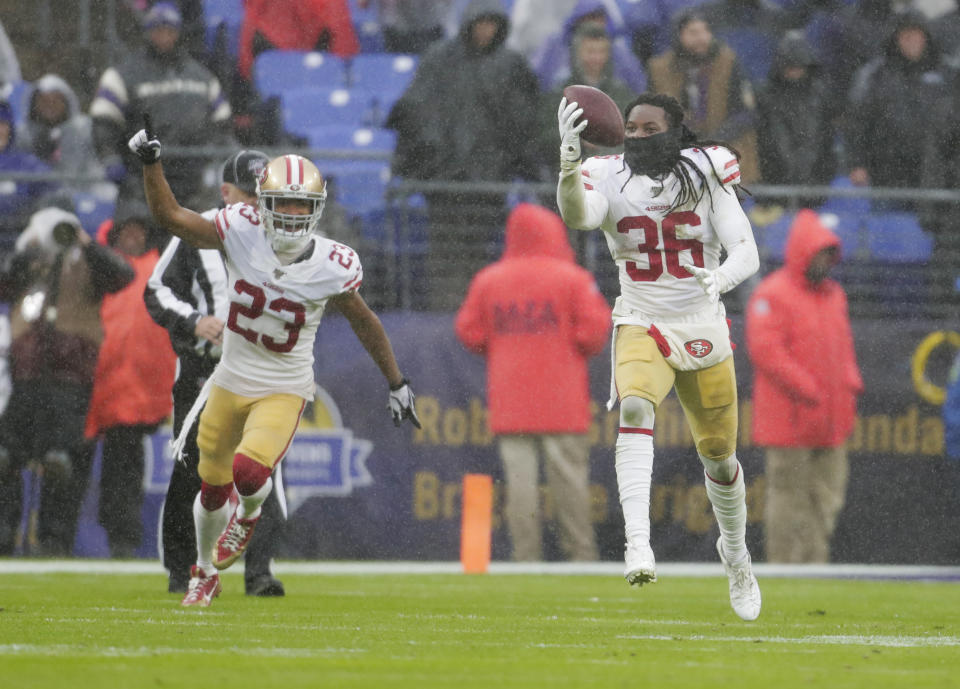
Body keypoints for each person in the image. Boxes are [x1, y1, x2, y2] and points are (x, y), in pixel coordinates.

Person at [127, 127, 421, 607]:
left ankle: (248, 518)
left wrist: (397, 382)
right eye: (282, 203)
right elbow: (171, 216)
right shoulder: (239, 227)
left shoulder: (332, 262)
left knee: (248, 471)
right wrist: (151, 165)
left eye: (302, 205)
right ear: (261, 204)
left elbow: (365, 323)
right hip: (227, 379)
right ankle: (203, 572)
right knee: (210, 486)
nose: (291, 213)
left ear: (317, 208)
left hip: (283, 386)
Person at [555, 91, 762, 620]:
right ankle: (638, 542)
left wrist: (719, 277)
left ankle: (736, 556)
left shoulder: (705, 172)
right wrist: (569, 162)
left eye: (650, 128)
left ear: (674, 131)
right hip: (641, 318)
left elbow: (747, 249)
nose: (638, 136)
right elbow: (581, 216)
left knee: (719, 457)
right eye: (631, 127)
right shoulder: (607, 173)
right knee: (635, 406)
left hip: (702, 324)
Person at [145, 149, 287, 596]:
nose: (254, 202)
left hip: (261, 367)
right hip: (205, 369)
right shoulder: (198, 228)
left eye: (262, 193)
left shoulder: (282, 233)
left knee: (260, 469)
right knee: (192, 467)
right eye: (247, 192)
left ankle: (259, 571)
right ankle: (181, 568)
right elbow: (157, 289)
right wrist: (193, 321)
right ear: (226, 192)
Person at [454, 203, 611, 562]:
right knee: (570, 486)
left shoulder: (489, 280)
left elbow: (469, 331)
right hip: (562, 402)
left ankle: (526, 559)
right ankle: (581, 557)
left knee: (520, 489)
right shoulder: (573, 279)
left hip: (512, 403)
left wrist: (505, 344)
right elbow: (594, 334)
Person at [385, 0, 541, 309]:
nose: (486, 30)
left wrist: (516, 166)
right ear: (468, 23)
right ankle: (448, 324)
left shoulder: (511, 65)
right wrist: (433, 162)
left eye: (492, 23)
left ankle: (476, 320)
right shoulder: (439, 60)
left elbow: (522, 122)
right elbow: (416, 113)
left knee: (479, 256)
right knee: (445, 257)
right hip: (445, 185)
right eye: (480, 23)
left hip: (488, 186)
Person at [0, 208, 134, 555]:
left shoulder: (89, 262)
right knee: (6, 459)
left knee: (61, 463)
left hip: (69, 381)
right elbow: (4, 283)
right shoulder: (30, 260)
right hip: (25, 376)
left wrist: (85, 244)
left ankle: (53, 542)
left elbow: (123, 275)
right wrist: (29, 249)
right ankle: (3, 535)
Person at [745, 209, 862, 563]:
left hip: (829, 422)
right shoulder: (772, 294)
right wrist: (808, 389)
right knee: (788, 501)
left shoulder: (834, 295)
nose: (825, 261)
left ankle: (814, 567)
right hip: (789, 422)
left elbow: (843, 351)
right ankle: (785, 568)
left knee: (826, 500)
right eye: (820, 253)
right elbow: (766, 352)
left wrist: (850, 385)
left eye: (830, 254)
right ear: (802, 251)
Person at [82, 207, 177, 558]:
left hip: (132, 391)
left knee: (122, 469)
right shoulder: (100, 265)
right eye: (127, 232)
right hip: (91, 384)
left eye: (140, 232)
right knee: (77, 467)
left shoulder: (160, 268)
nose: (133, 238)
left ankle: (122, 539)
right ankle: (56, 538)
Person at [89, 2, 232, 208]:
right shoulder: (123, 74)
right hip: (141, 180)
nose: (164, 36)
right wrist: (110, 157)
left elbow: (223, 125)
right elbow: (104, 122)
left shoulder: (203, 77)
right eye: (158, 30)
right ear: (148, 32)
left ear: (178, 33)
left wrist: (221, 157)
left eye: (169, 30)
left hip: (194, 181)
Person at [646, 9, 759, 183]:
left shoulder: (728, 62)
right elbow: (649, 114)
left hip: (723, 143)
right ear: (679, 36)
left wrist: (714, 140)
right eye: (694, 32)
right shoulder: (659, 69)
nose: (702, 38)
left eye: (706, 31)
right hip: (675, 147)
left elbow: (745, 113)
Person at [755, 32, 837, 198]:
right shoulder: (766, 96)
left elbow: (824, 138)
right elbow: (768, 139)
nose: (794, 72)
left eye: (799, 66)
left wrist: (817, 175)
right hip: (774, 184)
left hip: (815, 183)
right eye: (790, 66)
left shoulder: (821, 94)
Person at [18, 74, 107, 194]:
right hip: (33, 203)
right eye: (43, 100)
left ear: (66, 102)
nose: (50, 105)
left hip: (80, 199)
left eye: (56, 100)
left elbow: (95, 168)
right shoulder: (23, 135)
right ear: (33, 103)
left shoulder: (84, 130)